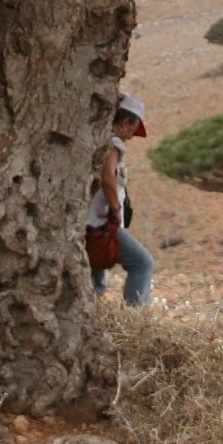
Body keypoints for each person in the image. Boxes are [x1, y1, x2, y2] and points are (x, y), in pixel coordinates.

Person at [87, 92, 155, 306]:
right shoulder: (114, 142)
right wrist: (116, 210)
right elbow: (108, 177)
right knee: (142, 263)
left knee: (93, 278)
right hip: (98, 223)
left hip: (87, 222)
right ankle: (135, 318)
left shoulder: (96, 138)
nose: (132, 136)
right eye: (134, 129)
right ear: (126, 122)